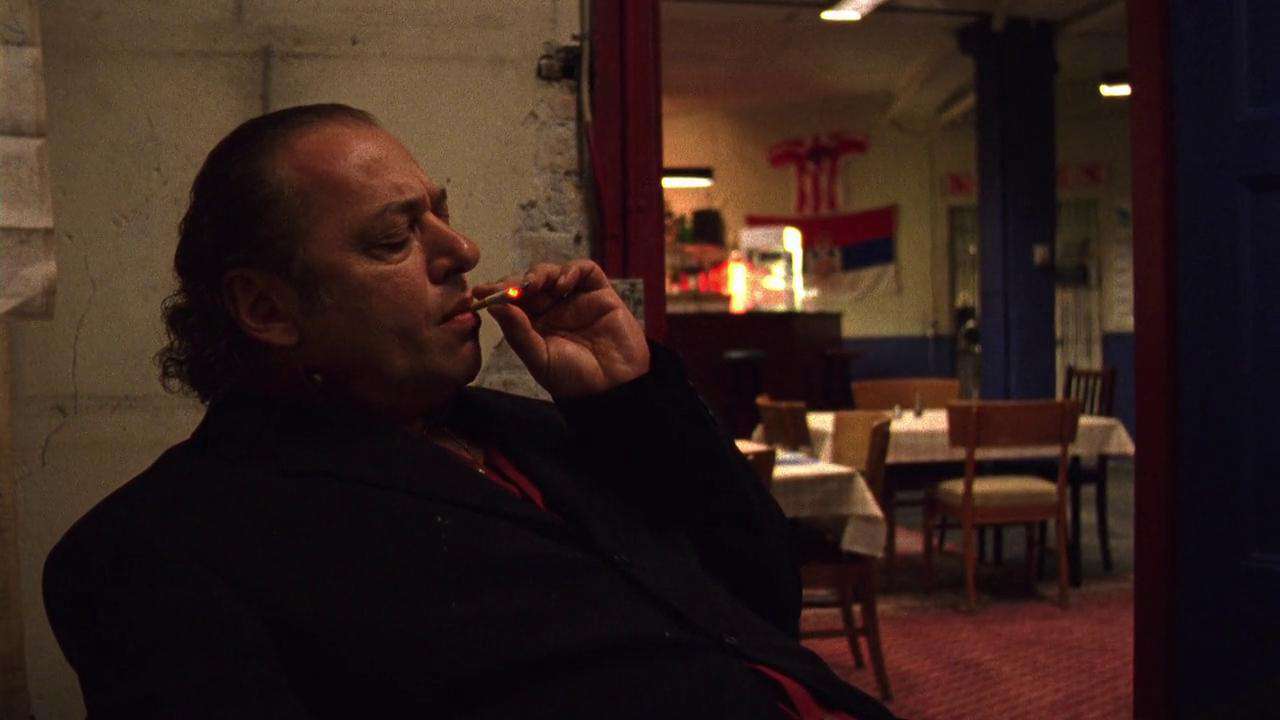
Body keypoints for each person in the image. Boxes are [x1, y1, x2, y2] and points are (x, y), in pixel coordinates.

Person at [43, 104, 896, 719]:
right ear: (268, 309)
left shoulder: (531, 429)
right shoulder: (163, 549)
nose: (462, 250)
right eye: (395, 239)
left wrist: (631, 401)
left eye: (441, 216)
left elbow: (762, 597)